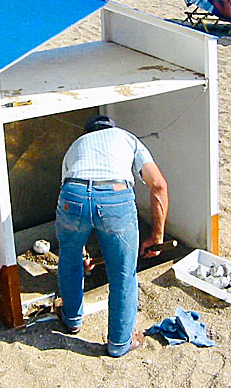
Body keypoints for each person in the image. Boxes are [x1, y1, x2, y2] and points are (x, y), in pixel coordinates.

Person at [55, 115, 169, 357]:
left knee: (69, 257)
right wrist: (157, 236)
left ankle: (71, 319)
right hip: (115, 197)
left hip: (72, 195)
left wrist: (82, 251)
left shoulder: (75, 147)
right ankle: (119, 343)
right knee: (124, 273)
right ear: (111, 129)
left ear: (87, 133)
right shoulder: (127, 138)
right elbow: (158, 185)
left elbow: (74, 194)